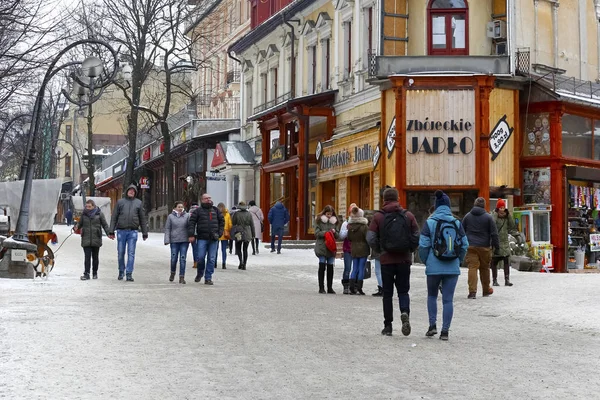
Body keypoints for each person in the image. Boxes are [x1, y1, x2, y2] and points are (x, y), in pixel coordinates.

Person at [367, 187, 419, 337]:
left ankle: (388, 325)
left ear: (384, 199)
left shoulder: (379, 217)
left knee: (387, 294)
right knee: (403, 291)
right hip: (403, 259)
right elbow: (416, 235)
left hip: (386, 260)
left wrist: (380, 249)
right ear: (398, 199)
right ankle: (404, 312)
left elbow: (370, 238)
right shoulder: (408, 216)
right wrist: (410, 249)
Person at [419, 190, 469, 341]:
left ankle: (432, 325)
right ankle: (445, 331)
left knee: (432, 296)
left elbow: (423, 245)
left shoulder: (430, 222)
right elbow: (465, 245)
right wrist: (458, 260)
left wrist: (426, 260)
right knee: (448, 300)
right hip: (452, 267)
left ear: (436, 206)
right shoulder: (456, 223)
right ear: (448, 206)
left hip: (433, 267)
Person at [109, 184, 148, 282]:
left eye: (133, 191)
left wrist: (144, 232)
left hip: (133, 231)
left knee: (131, 253)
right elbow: (114, 217)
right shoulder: (120, 202)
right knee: (121, 252)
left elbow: (142, 218)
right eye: (130, 190)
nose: (131, 192)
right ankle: (121, 271)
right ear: (126, 191)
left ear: (135, 193)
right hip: (121, 231)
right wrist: (111, 231)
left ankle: (129, 273)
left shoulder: (138, 203)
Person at [462, 197, 500, 299]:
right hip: (485, 247)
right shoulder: (488, 217)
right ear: (484, 205)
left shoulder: (467, 216)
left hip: (471, 246)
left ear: (474, 204)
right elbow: (494, 233)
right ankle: (486, 290)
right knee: (485, 268)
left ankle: (472, 292)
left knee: (472, 268)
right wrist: (497, 246)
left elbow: (461, 231)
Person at [187, 193, 224, 285]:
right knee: (200, 257)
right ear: (202, 200)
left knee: (211, 259)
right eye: (206, 198)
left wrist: (220, 233)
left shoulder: (216, 210)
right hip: (202, 238)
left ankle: (208, 277)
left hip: (213, 238)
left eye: (209, 198)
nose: (209, 199)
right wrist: (191, 234)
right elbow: (192, 223)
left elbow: (222, 222)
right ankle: (200, 273)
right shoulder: (198, 211)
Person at [76, 200, 112, 280]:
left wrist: (109, 233)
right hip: (86, 238)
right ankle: (86, 274)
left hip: (96, 238)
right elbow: (80, 224)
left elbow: (105, 225)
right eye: (87, 206)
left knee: (95, 257)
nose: (88, 208)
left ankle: (95, 273)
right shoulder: (84, 214)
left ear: (93, 206)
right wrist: (76, 227)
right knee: (87, 257)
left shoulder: (99, 214)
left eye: (89, 206)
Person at [492, 199, 519, 287]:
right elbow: (492, 224)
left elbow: (511, 227)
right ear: (497, 208)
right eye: (500, 207)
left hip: (505, 242)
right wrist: (495, 214)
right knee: (494, 261)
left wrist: (517, 235)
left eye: (503, 207)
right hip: (496, 242)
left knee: (506, 261)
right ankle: (494, 280)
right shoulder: (494, 215)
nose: (502, 209)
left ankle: (507, 279)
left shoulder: (507, 217)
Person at [314, 205, 339, 294]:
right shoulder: (319, 221)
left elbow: (337, 235)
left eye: (330, 214)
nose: (329, 215)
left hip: (331, 247)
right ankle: (321, 287)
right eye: (328, 214)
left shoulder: (334, 222)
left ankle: (330, 287)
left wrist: (335, 232)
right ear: (324, 213)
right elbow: (316, 233)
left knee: (330, 267)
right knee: (322, 266)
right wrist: (326, 233)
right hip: (322, 246)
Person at [164, 201, 190, 284]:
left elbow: (190, 227)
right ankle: (172, 273)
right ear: (175, 208)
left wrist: (191, 236)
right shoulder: (170, 217)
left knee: (183, 258)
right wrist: (167, 239)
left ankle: (182, 277)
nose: (180, 208)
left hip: (184, 240)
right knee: (174, 258)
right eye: (179, 207)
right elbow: (167, 228)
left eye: (182, 207)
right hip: (174, 240)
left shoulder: (187, 216)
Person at [347, 206, 370, 295]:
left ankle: (351, 287)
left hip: (354, 248)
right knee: (361, 268)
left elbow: (349, 238)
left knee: (354, 268)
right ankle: (359, 288)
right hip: (363, 248)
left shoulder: (350, 226)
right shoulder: (364, 226)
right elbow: (368, 237)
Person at [339, 203, 357, 294]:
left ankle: (355, 286)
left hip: (357, 249)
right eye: (351, 212)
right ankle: (346, 286)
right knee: (348, 268)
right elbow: (341, 236)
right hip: (348, 249)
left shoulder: (359, 223)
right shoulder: (345, 223)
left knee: (356, 268)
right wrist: (348, 230)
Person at [231, 201, 255, 270]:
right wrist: (253, 234)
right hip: (247, 232)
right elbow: (252, 225)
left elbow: (233, 222)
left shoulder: (236, 214)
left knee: (238, 247)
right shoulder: (249, 214)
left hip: (239, 232)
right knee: (245, 249)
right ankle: (244, 264)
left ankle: (240, 261)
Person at [216, 202, 232, 269]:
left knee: (215, 249)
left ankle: (214, 263)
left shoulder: (216, 214)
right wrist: (228, 230)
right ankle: (224, 263)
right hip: (225, 233)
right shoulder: (227, 214)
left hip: (217, 233)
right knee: (223, 250)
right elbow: (230, 224)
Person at [189, 202, 199, 269]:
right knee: (200, 248)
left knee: (194, 248)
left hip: (192, 233)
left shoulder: (189, 213)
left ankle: (195, 263)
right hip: (200, 232)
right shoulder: (200, 212)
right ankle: (200, 261)